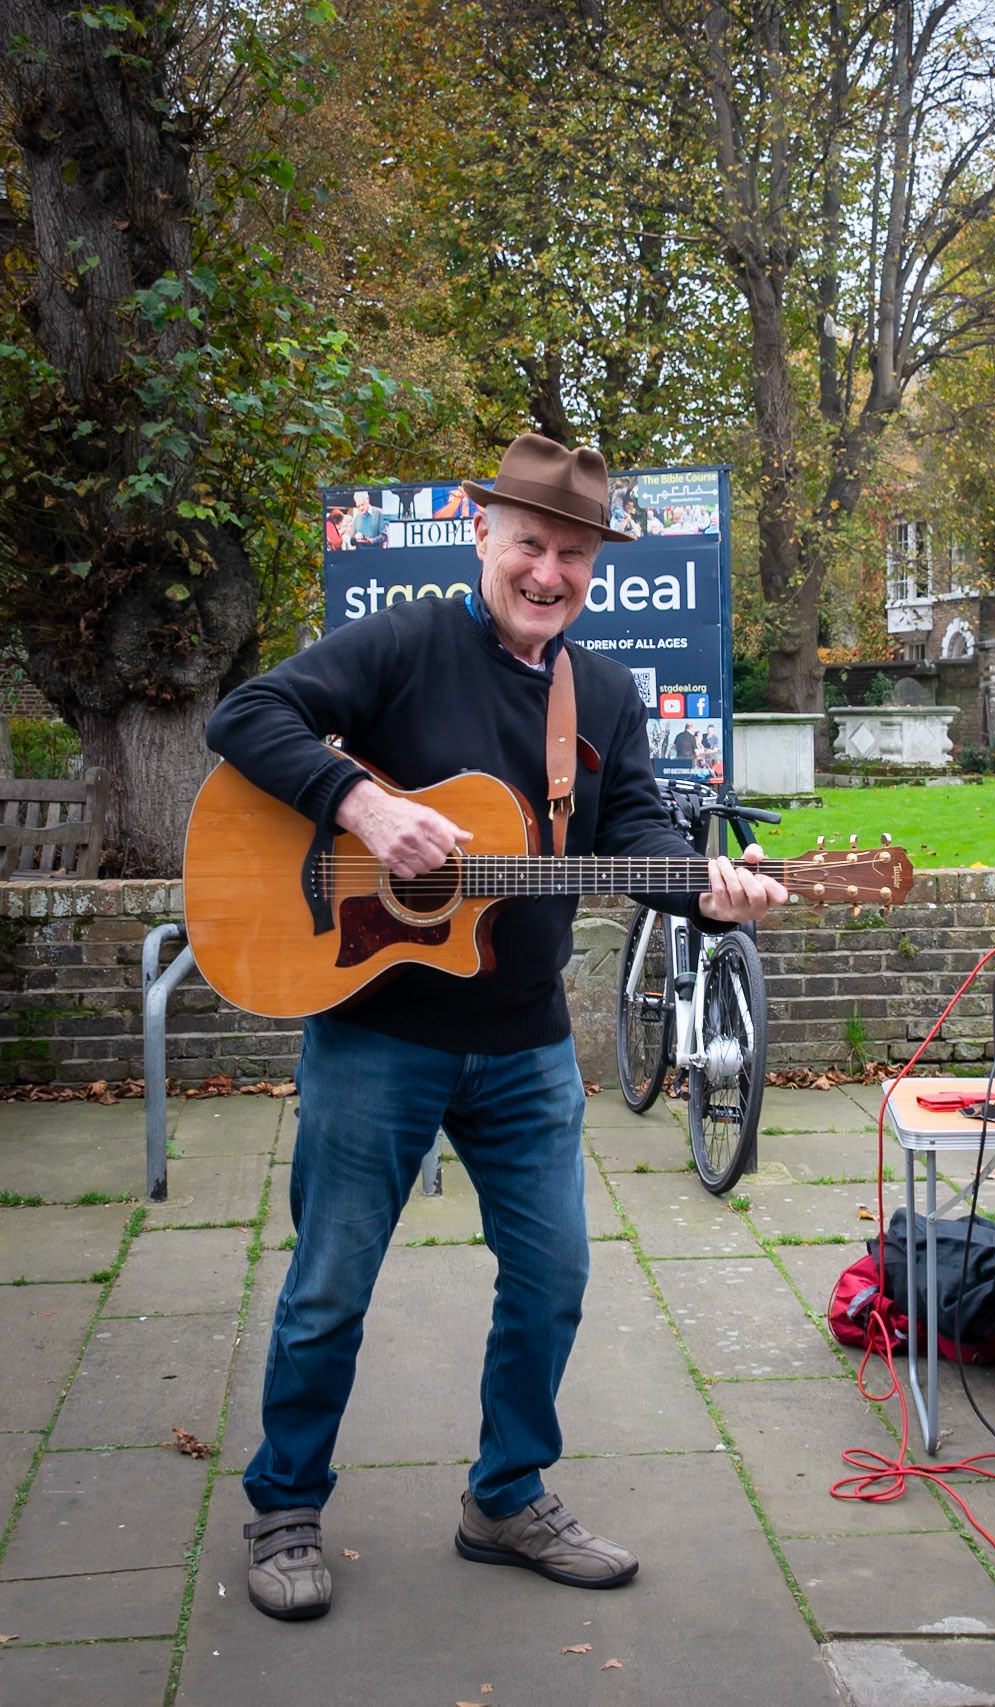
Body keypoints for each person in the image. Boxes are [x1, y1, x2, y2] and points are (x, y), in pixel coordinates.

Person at [207, 434, 787, 1622]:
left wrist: (713, 887)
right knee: (330, 1283)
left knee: (554, 1276)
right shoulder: (407, 643)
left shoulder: (603, 695)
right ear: (483, 535)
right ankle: (284, 1505)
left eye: (573, 555)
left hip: (524, 1043)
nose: (548, 572)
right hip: (377, 1029)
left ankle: (507, 1495)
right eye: (530, 543)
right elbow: (247, 716)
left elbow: (642, 836)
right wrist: (362, 804)